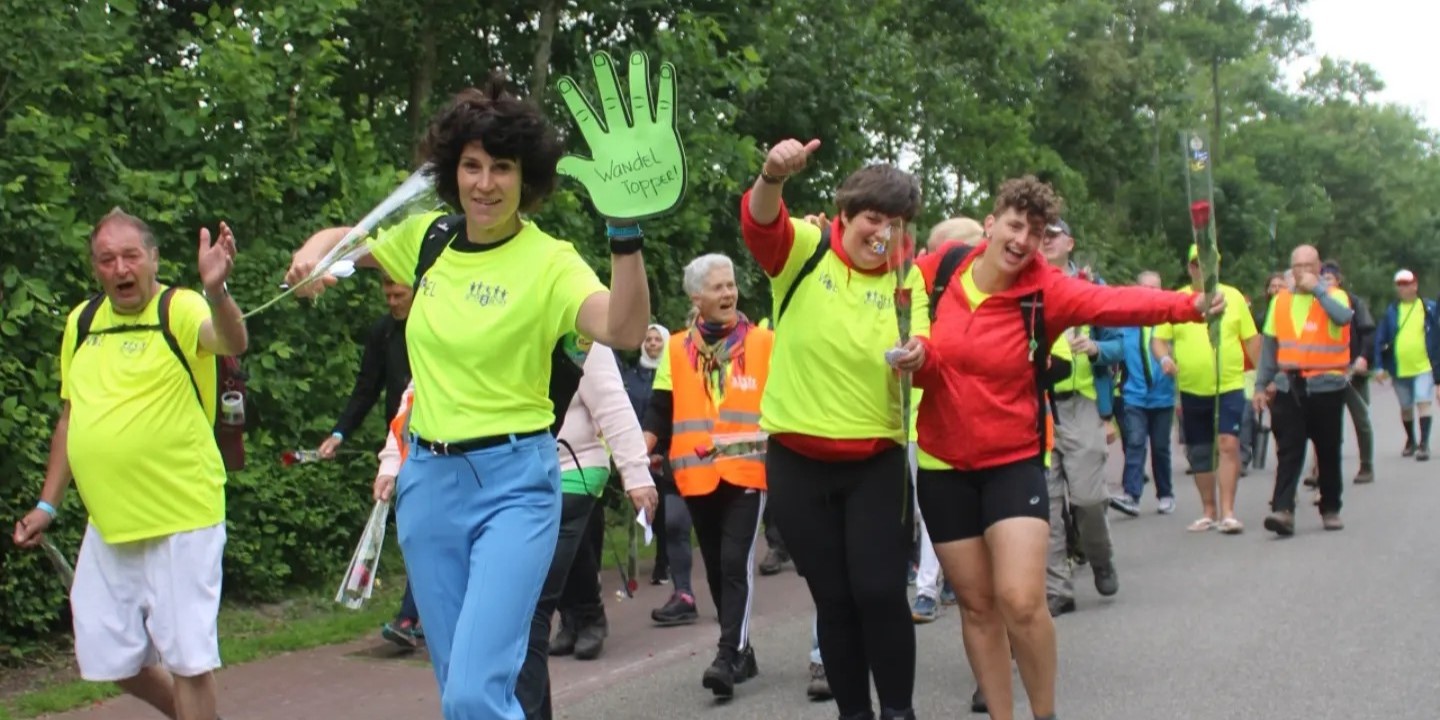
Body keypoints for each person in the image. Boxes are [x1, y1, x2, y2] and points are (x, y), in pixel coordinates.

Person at [283, 77, 651, 720]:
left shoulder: (551, 261)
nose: (484, 183)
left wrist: (624, 233)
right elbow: (346, 242)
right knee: (462, 693)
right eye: (471, 166)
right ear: (452, 170)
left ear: (525, 178)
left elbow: (620, 328)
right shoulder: (428, 239)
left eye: (501, 168)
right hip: (427, 486)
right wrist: (312, 257)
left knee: (474, 697)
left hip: (515, 486)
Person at [913, 176, 1222, 720]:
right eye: (1015, 225)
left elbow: (1115, 302)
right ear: (990, 224)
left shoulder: (1044, 289)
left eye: (1035, 232)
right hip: (942, 464)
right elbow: (873, 289)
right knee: (979, 607)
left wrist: (1189, 305)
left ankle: (1045, 714)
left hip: (1013, 459)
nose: (1023, 240)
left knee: (1022, 601)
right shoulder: (937, 274)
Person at [13, 209, 249, 720]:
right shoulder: (80, 323)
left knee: (189, 662)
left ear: (153, 259)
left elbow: (232, 341)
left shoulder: (181, 308)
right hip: (110, 524)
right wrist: (46, 505)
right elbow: (70, 419)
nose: (120, 268)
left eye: (130, 256)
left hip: (183, 519)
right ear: (95, 268)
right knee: (110, 657)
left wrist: (217, 291)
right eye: (107, 259)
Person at [741, 137, 929, 720]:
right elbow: (760, 223)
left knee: (878, 592)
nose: (883, 233)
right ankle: (856, 714)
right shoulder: (807, 250)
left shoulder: (907, 279)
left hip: (875, 459)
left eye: (896, 224)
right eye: (873, 218)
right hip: (798, 462)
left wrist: (920, 352)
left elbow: (926, 342)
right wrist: (772, 175)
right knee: (835, 600)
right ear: (844, 215)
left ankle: (898, 712)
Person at [642, 253, 772, 700]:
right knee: (716, 566)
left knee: (736, 563)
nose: (728, 293)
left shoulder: (761, 343)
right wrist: (638, 455)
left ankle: (726, 655)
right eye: (718, 287)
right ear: (697, 297)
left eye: (731, 285)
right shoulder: (676, 348)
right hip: (695, 473)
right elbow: (660, 408)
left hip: (746, 470)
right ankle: (742, 649)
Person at [317, 274, 423, 647]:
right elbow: (367, 387)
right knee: (414, 530)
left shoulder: (434, 323)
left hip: (435, 441)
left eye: (399, 294)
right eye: (388, 295)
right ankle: (418, 614)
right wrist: (339, 432)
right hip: (399, 442)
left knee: (424, 529)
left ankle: (411, 616)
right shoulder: (383, 333)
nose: (393, 302)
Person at [1035, 219, 1126, 616]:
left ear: (1069, 243)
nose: (1045, 242)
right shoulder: (1024, 286)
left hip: (1082, 403)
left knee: (1089, 498)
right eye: (1039, 236)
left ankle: (1099, 555)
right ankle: (1058, 588)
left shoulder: (1091, 288)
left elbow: (1122, 344)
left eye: (1052, 236)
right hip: (1037, 404)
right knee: (1046, 504)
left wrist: (1095, 349)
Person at [1150, 245, 1259, 534]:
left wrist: (1262, 380)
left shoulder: (1233, 297)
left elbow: (1251, 340)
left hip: (1230, 384)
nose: (1203, 268)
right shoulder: (1179, 299)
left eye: (1209, 262)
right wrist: (1164, 358)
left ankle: (1229, 512)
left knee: (1228, 444)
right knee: (1199, 453)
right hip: (1192, 388)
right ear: (1189, 267)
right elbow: (1159, 340)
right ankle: (1208, 511)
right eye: (1197, 263)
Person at [1255, 245, 1354, 536]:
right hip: (1290, 385)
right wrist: (1261, 385)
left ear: (1319, 267)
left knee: (1327, 449)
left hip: (1326, 385)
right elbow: (1269, 348)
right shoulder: (1281, 301)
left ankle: (1331, 507)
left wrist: (1319, 291)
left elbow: (1343, 317)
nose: (1302, 272)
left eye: (1308, 266)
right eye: (1297, 267)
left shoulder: (1335, 295)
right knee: (1289, 449)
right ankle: (1283, 509)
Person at [1301, 261, 1375, 486]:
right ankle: (1319, 470)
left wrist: (1363, 358)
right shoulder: (1312, 301)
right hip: (1323, 372)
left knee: (1360, 419)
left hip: (1351, 370)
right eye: (1321, 277)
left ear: (1338, 279)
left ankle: (1366, 465)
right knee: (1323, 423)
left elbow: (1368, 331)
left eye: (1329, 278)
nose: (1325, 282)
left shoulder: (1352, 301)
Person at [1110, 270, 1177, 517]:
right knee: (1135, 443)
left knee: (1160, 447)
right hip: (1133, 395)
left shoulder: (1169, 321)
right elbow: (1114, 351)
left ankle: (1166, 494)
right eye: (1146, 288)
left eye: (1156, 288)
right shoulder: (1125, 323)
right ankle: (1131, 495)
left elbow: (1180, 353)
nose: (1151, 293)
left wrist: (1175, 364)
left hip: (1163, 396)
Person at [1373, 269, 1438, 462]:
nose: (1403, 288)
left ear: (1415, 285)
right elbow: (1380, 338)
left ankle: (1424, 444)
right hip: (1399, 368)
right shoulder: (1392, 311)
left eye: (1406, 284)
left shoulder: (1428, 308)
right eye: (1399, 285)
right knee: (1406, 406)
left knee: (1423, 402)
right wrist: (1378, 365)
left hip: (1423, 366)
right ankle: (1411, 439)